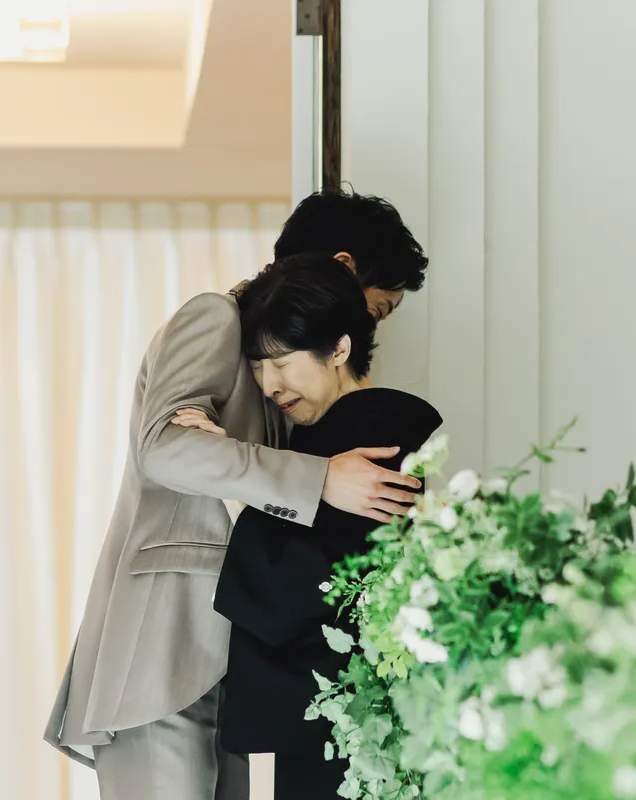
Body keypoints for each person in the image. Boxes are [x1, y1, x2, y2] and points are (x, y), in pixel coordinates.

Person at [43, 188, 429, 800]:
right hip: (166, 647)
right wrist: (319, 479)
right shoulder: (215, 317)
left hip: (242, 658)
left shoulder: (301, 382)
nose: (366, 330)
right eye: (376, 309)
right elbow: (164, 447)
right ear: (344, 268)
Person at [204, 254, 443, 799]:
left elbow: (296, 586)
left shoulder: (374, 436)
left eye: (282, 363)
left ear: (339, 349)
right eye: (258, 366)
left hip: (351, 725)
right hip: (349, 719)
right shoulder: (340, 438)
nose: (269, 385)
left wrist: (234, 476)